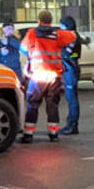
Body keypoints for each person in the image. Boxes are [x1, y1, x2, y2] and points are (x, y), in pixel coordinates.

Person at [20, 10, 75, 143]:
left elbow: (22, 49)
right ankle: (53, 133)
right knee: (52, 105)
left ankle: (28, 134)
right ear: (51, 21)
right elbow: (72, 37)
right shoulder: (57, 34)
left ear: (39, 20)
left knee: (32, 105)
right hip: (53, 75)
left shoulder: (32, 33)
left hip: (37, 75)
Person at [59, 15, 88, 135]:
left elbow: (68, 53)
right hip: (70, 69)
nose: (60, 28)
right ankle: (72, 125)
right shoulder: (72, 35)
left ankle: (72, 125)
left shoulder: (72, 36)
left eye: (62, 25)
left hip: (70, 70)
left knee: (72, 100)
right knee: (71, 98)